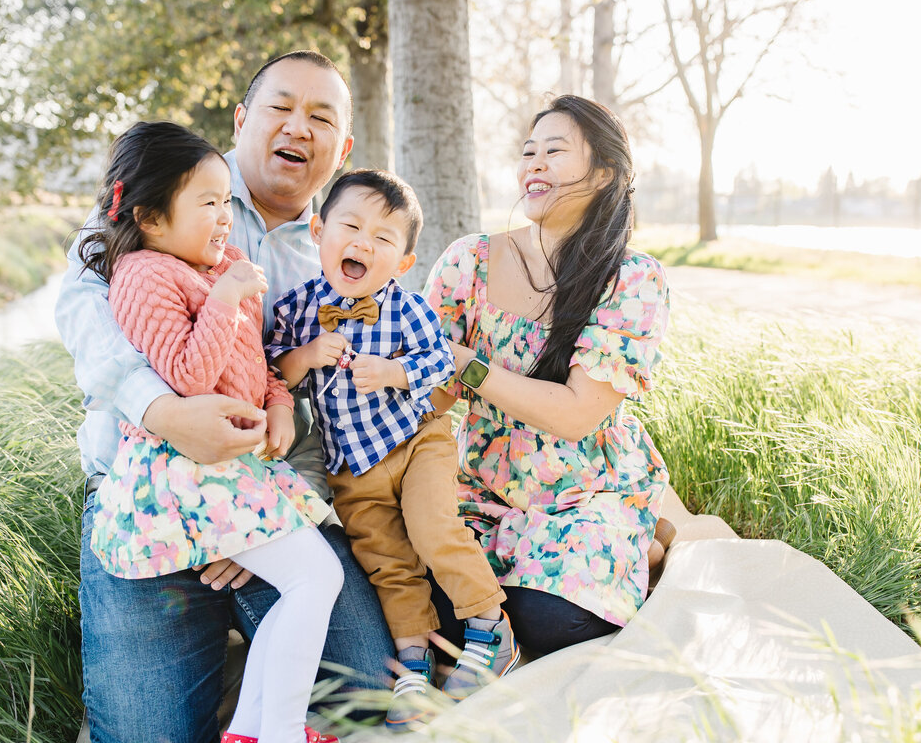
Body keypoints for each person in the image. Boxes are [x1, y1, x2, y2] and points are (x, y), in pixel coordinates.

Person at [56, 51, 393, 743]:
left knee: (360, 697)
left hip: (261, 493)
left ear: (344, 147)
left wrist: (259, 506)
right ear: (243, 119)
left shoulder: (345, 246)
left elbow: (328, 400)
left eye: (320, 117)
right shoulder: (168, 189)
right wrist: (166, 414)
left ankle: (253, 711)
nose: (297, 128)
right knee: (148, 733)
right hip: (144, 492)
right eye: (280, 108)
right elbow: (83, 306)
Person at [267, 170, 520, 730]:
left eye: (384, 239)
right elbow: (275, 372)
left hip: (416, 440)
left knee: (433, 529)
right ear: (317, 231)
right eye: (351, 226)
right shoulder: (297, 308)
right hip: (352, 466)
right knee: (386, 562)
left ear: (403, 261)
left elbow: (440, 363)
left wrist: (394, 371)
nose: (363, 243)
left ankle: (487, 627)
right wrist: (307, 354)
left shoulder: (408, 308)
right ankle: (413, 663)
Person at [424, 95, 670, 655]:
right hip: (482, 488)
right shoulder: (469, 261)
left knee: (557, 618)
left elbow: (577, 415)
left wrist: (467, 365)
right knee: (437, 599)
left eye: (554, 152)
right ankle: (634, 553)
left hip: (584, 492)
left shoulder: (631, 279)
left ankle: (638, 540)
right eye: (528, 152)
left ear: (604, 174)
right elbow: (430, 388)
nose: (533, 163)